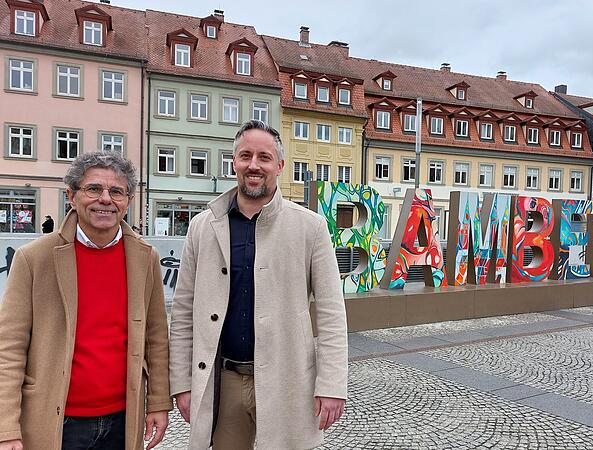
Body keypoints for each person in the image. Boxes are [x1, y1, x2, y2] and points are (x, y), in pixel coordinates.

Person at [170, 120, 348, 449]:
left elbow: (331, 312)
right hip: (224, 381)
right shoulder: (202, 227)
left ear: (279, 165)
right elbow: (182, 311)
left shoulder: (310, 227)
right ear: (233, 161)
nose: (254, 165)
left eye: (264, 157)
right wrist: (182, 383)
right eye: (245, 156)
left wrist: (332, 384)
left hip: (288, 378)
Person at [0, 151, 172, 450]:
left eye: (116, 191)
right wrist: (6, 428)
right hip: (56, 420)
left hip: (122, 418)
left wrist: (158, 402)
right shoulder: (34, 258)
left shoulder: (145, 258)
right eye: (94, 189)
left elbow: (156, 338)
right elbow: (9, 349)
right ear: (72, 195)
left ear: (128, 200)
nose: (105, 199)